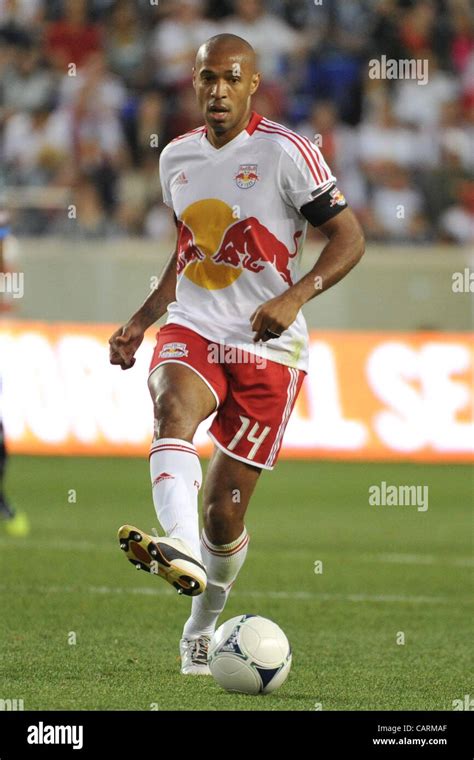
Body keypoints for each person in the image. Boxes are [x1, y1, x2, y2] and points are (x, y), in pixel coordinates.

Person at [109, 33, 364, 675]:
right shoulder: (176, 159)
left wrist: (297, 296)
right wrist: (144, 320)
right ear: (193, 84)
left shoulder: (287, 152)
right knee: (172, 407)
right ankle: (175, 544)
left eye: (230, 78)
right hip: (194, 325)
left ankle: (201, 622)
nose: (217, 90)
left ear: (253, 84)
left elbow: (350, 237)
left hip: (267, 346)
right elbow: (188, 250)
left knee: (223, 515)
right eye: (205, 79)